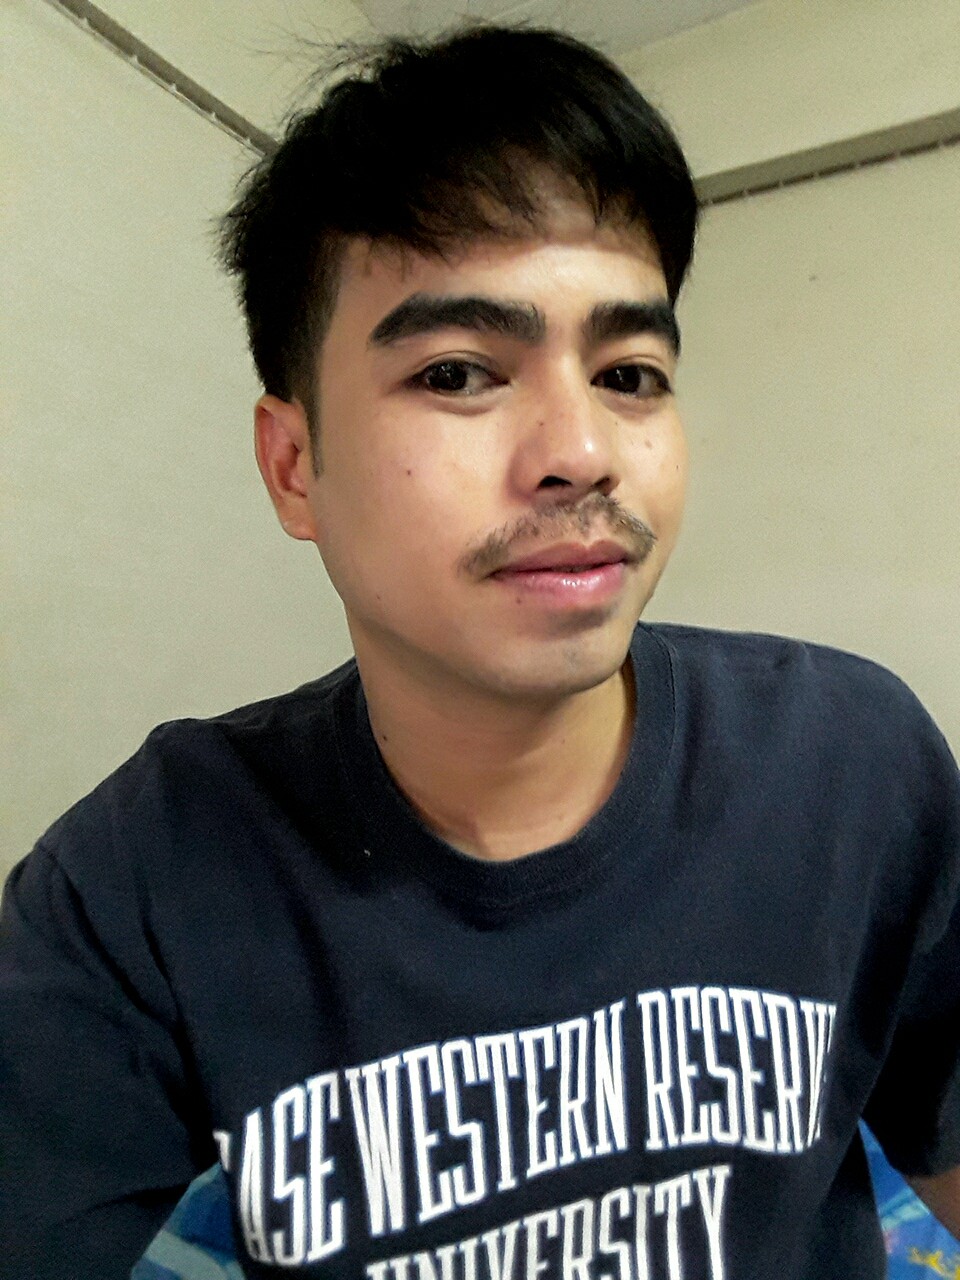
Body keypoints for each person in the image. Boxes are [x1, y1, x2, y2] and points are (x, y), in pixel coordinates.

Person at [1, 22, 958, 1280]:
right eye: (458, 372)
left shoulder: (854, 764)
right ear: (294, 466)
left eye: (630, 372)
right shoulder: (133, 882)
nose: (582, 451)